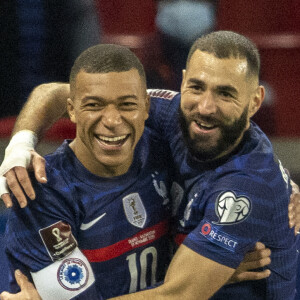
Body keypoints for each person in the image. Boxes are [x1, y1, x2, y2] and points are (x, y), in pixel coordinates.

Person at [0, 31, 299, 299]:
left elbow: (176, 295)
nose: (206, 107)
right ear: (182, 83)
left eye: (226, 93)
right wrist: (19, 145)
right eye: (196, 87)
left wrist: (205, 276)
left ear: (255, 101)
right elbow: (51, 93)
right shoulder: (171, 118)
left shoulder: (251, 185)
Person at [1, 44, 174, 299]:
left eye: (126, 105)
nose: (112, 121)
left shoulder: (164, 148)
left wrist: (213, 264)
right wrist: (194, 283)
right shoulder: (42, 193)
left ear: (146, 106)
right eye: (94, 105)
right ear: (71, 109)